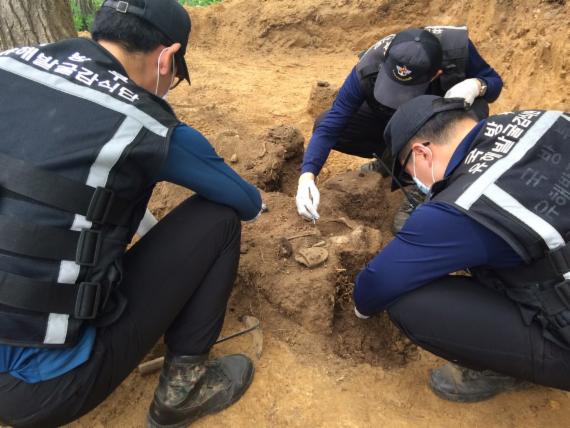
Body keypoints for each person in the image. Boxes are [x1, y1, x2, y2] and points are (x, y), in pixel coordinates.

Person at [0, 1, 263, 426]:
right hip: (33, 387)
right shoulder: (146, 123)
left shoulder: (9, 64)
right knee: (218, 220)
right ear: (165, 58)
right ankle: (184, 389)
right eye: (174, 78)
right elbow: (245, 202)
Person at [353, 94, 570, 402]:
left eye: (409, 172)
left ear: (421, 154)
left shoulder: (462, 205)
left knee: (410, 303)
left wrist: (360, 311)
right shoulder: (546, 119)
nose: (416, 183)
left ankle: (506, 367)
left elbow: (376, 283)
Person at [295, 25, 503, 232]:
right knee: (325, 122)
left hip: (437, 121)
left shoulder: (457, 51)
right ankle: (392, 159)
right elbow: (334, 121)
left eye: (406, 90)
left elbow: (494, 82)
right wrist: (307, 176)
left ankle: (424, 183)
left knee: (475, 109)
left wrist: (477, 85)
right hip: (386, 118)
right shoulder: (370, 64)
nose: (397, 96)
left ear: (436, 74)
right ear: (386, 60)